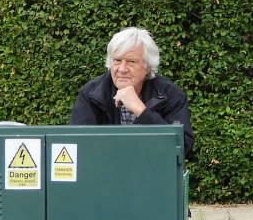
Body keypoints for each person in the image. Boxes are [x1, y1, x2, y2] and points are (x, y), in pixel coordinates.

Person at [70, 27, 194, 157]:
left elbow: (181, 147)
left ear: (148, 67)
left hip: (153, 171)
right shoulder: (91, 93)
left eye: (131, 62)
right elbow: (78, 146)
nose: (122, 69)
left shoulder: (171, 94)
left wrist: (141, 110)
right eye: (117, 60)